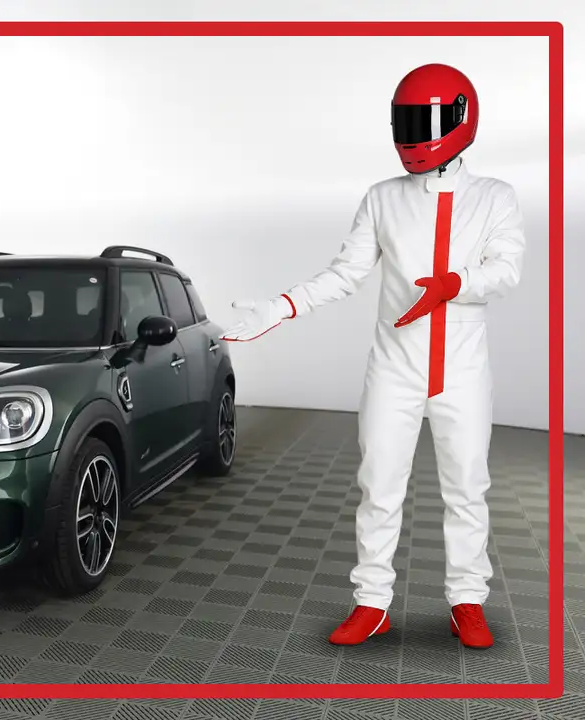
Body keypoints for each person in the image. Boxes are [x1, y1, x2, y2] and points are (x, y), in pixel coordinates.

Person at [220, 64, 526, 650]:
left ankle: (467, 600)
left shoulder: (495, 197)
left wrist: (455, 284)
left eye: (426, 122)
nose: (414, 137)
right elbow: (346, 273)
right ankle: (372, 603)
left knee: (468, 488)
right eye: (407, 123)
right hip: (395, 365)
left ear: (462, 119)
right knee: (379, 485)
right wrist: (281, 306)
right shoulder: (383, 198)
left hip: (461, 367)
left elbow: (506, 269)